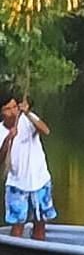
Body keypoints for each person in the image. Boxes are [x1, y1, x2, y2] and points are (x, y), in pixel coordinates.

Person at [0, 90, 56, 240]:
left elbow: (45, 130)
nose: (12, 112)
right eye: (7, 109)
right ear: (1, 113)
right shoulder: (0, 131)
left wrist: (28, 113)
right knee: (17, 224)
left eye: (14, 107)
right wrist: (8, 139)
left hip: (40, 180)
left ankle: (40, 253)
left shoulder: (27, 119)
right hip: (17, 184)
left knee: (40, 221)